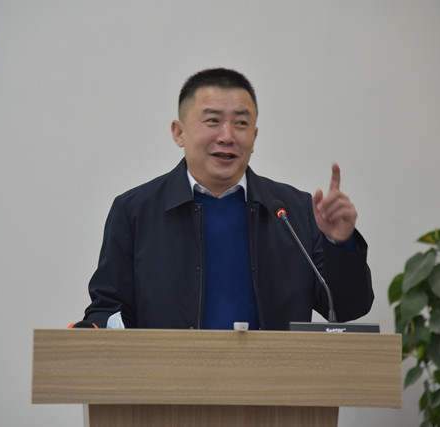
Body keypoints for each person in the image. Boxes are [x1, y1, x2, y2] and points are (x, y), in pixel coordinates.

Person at [71, 68, 373, 331]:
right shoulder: (135, 211)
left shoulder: (292, 212)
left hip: (274, 379)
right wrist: (96, 331)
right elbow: (107, 309)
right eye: (213, 121)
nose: (227, 136)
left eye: (241, 124)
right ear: (179, 133)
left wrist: (340, 245)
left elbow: (346, 309)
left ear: (254, 136)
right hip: (168, 379)